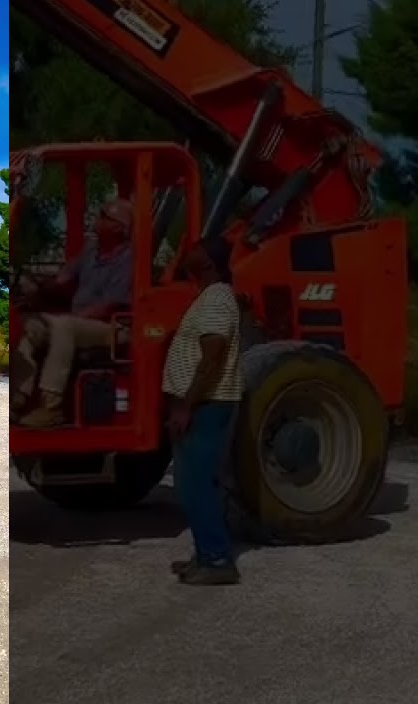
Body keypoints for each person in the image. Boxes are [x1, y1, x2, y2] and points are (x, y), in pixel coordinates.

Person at [164, 236, 243, 586]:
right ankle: (204, 555)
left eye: (195, 247)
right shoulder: (208, 296)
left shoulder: (217, 298)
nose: (187, 249)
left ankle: (218, 560)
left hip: (206, 404)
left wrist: (186, 403)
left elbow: (212, 356)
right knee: (189, 484)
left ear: (209, 260)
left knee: (195, 484)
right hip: (200, 402)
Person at [15, 197, 134, 428]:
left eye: (103, 216)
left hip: (113, 326)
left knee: (63, 326)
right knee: (29, 326)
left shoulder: (129, 259)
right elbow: (61, 281)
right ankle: (19, 397)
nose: (96, 219)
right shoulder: (91, 251)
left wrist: (72, 318)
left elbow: (110, 305)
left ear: (119, 227)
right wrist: (35, 284)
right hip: (80, 323)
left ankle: (51, 407)